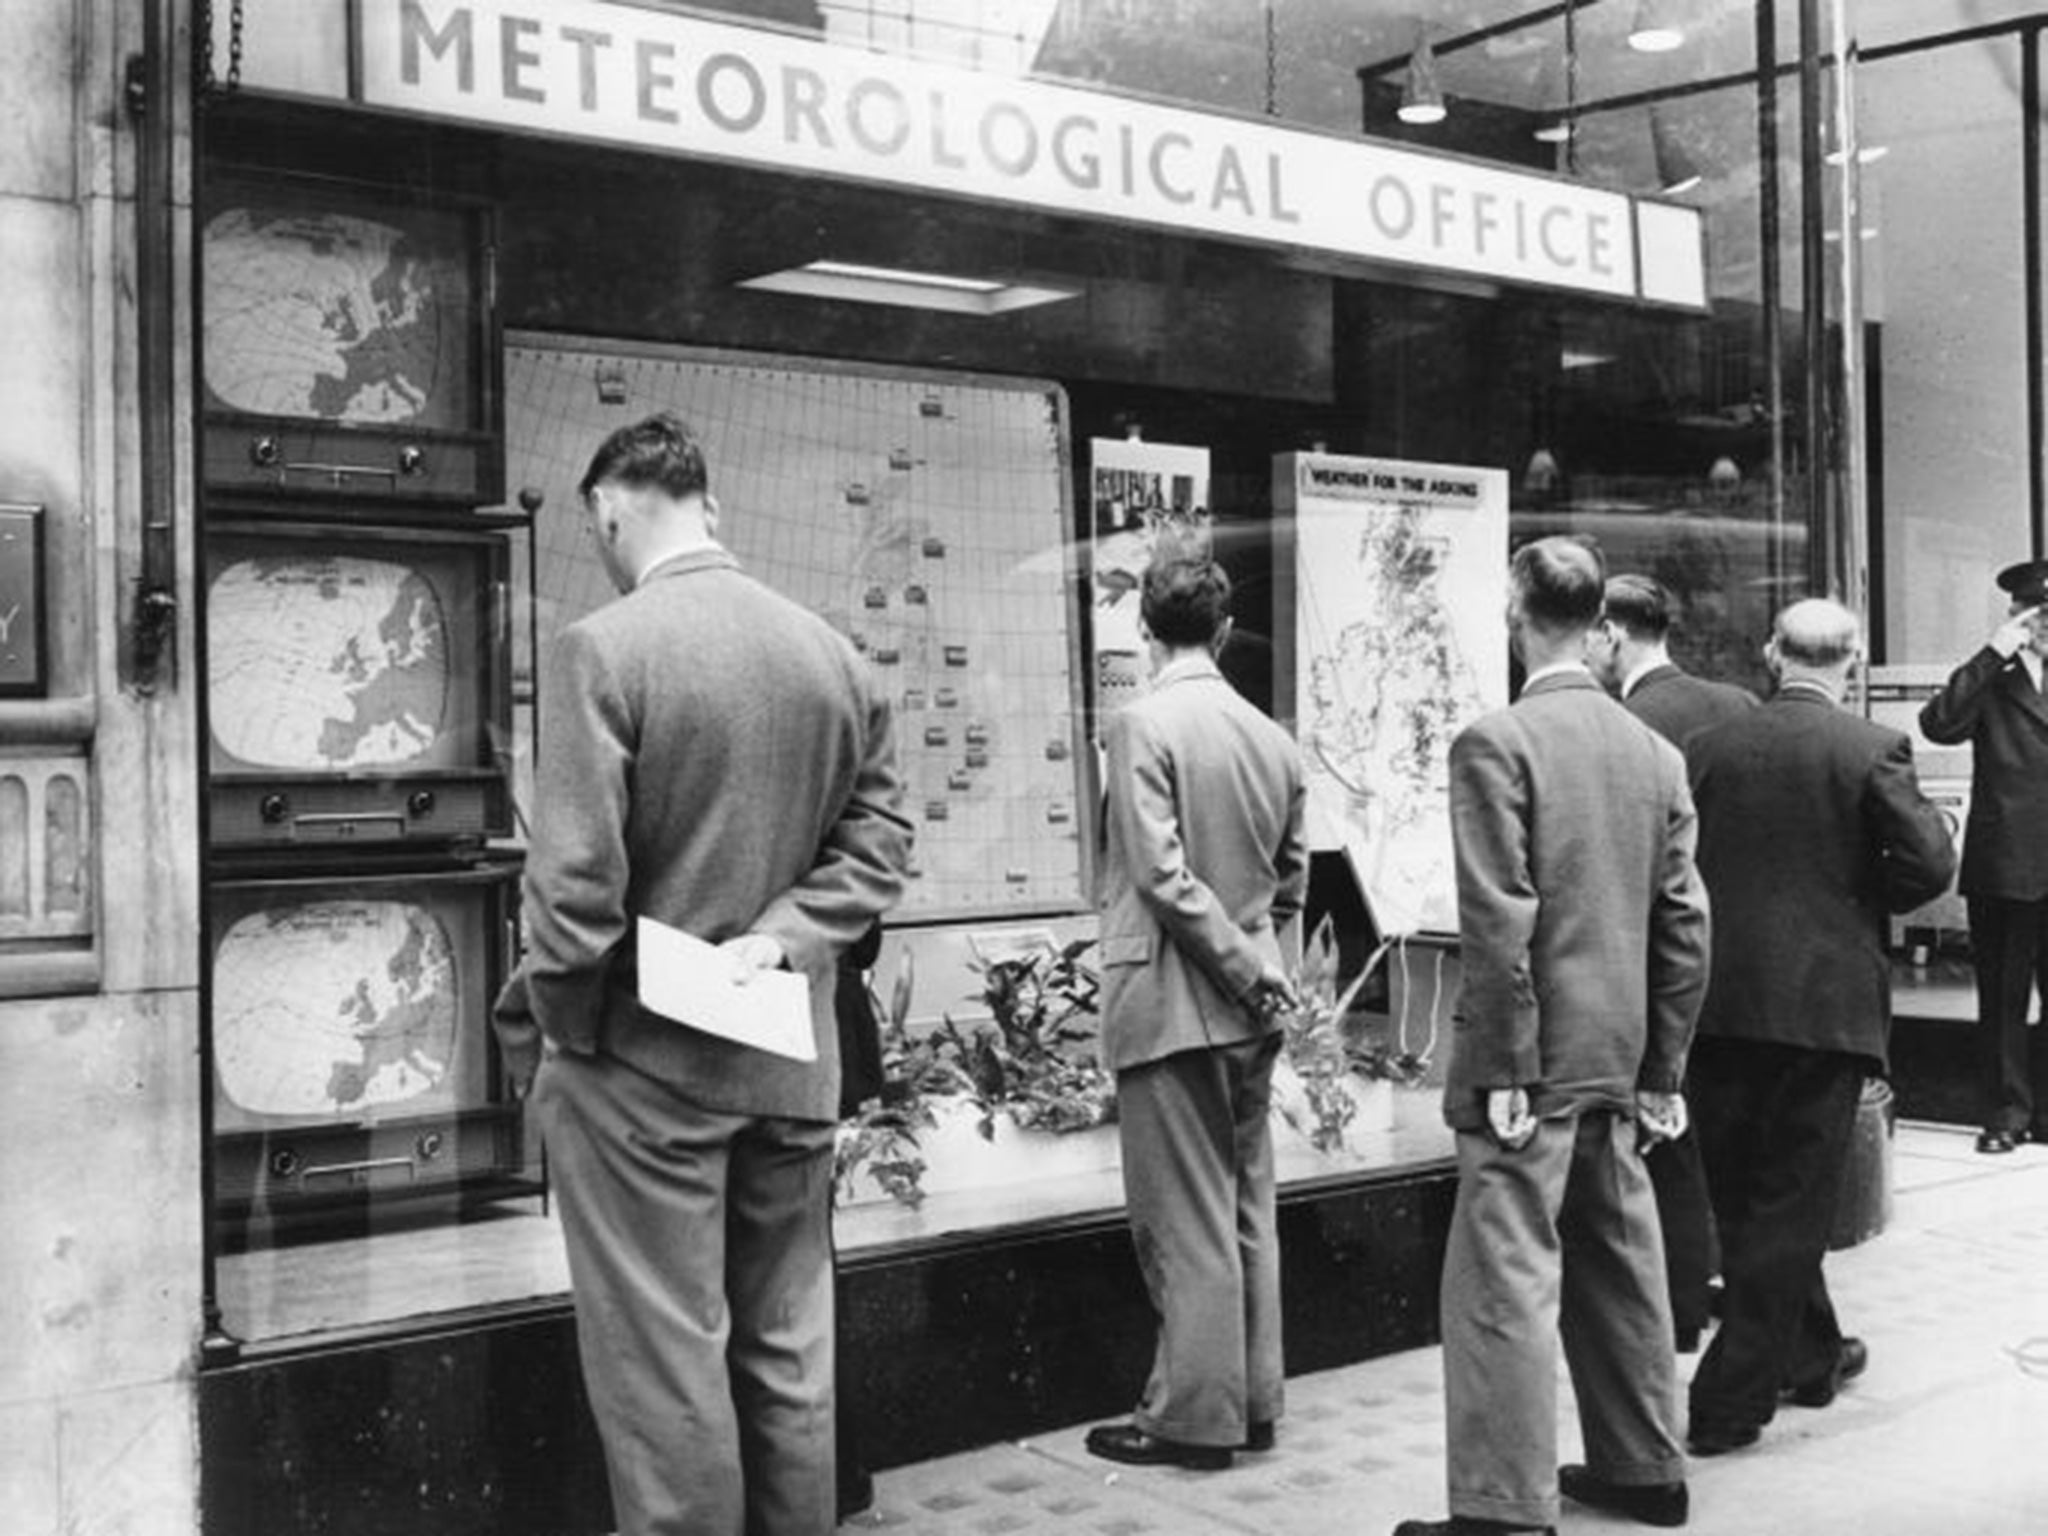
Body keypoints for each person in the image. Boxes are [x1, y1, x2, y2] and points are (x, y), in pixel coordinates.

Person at [494, 413, 913, 1536]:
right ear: (711, 508)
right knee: (786, 1350)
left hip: (640, 1068)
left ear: (610, 511)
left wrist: (563, 1036)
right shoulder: (833, 656)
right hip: (789, 1062)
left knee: (665, 1363)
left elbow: (574, 892)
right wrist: (783, 939)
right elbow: (878, 848)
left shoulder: (603, 648)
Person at [1396, 538, 1709, 1536]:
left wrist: (1498, 1064)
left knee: (1503, 1279)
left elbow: (1500, 923)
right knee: (1620, 1262)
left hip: (1528, 1069)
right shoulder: (1651, 754)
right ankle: (1644, 1465)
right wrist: (1661, 1066)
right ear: (1599, 626)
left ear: (1512, 611)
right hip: (1617, 1054)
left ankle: (1500, 1508)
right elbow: (1683, 925)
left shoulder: (1495, 742)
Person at [1683, 599, 1954, 1457]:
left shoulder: (1709, 749)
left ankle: (1812, 1354)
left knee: (1745, 1199)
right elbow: (1928, 865)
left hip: (1718, 1005)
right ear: (1855, 658)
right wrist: (1860, 898)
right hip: (1823, 1011)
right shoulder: (1872, 749)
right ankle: (1729, 1400)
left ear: (1771, 653)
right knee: (1792, 1207)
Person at [1084, 555, 1307, 1474]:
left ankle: (1193, 1417)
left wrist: (1237, 968)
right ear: (1222, 633)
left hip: (1176, 1000)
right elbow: (1289, 882)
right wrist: (1263, 969)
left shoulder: (1141, 723)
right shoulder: (1271, 736)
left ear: (1144, 629)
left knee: (1183, 1219)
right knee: (1247, 1203)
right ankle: (1252, 1403)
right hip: (1251, 1012)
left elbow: (1161, 876)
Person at [1589, 574, 1758, 1353]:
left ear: (1614, 635)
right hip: (1742, 964)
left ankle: (1683, 1298)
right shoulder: (1738, 706)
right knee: (1731, 1137)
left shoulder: (1623, 726)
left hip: (1660, 961)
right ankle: (1729, 1285)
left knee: (1668, 1141)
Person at [1919, 561, 2048, 1154]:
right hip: (2008, 861)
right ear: (2016, 617)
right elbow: (1939, 724)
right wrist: (1993, 652)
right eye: (2036, 614)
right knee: (2003, 997)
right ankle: (2004, 1114)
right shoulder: (1990, 677)